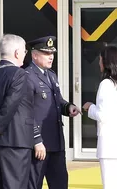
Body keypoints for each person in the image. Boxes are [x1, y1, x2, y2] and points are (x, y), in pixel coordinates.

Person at [0, 34, 39, 189]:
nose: (25, 55)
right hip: (15, 140)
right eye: (24, 51)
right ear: (17, 53)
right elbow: (10, 104)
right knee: (15, 184)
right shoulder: (19, 74)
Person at [25, 36, 81, 189]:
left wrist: (68, 107)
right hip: (40, 145)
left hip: (56, 142)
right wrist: (36, 141)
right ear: (34, 55)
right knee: (34, 184)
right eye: (46, 53)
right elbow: (27, 112)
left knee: (60, 183)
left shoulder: (51, 75)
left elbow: (57, 101)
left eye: (52, 53)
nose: (51, 57)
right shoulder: (28, 77)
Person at [82, 45, 117, 189]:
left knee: (111, 183)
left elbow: (102, 115)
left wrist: (89, 107)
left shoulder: (106, 84)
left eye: (100, 60)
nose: (99, 63)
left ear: (107, 63)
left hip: (110, 143)